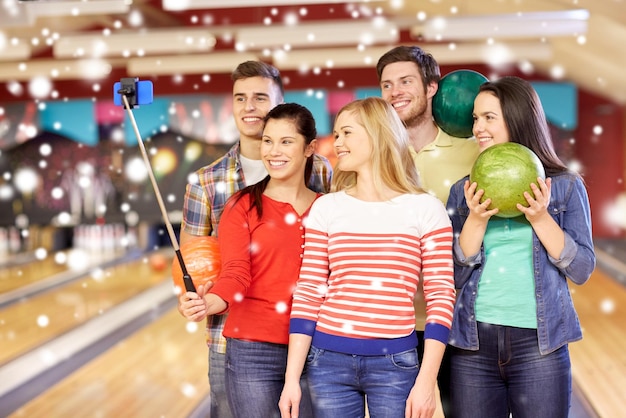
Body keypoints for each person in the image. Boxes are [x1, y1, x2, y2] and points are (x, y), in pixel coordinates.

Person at [279, 97, 456, 418]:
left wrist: (427, 380)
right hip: (327, 359)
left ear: (377, 134)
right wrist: (292, 378)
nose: (338, 142)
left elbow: (441, 296)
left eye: (347, 133)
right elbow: (308, 292)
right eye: (337, 133)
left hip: (395, 363)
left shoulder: (426, 210)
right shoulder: (327, 208)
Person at [177, 61, 332, 417]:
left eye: (260, 98)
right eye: (240, 98)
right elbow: (205, 264)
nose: (249, 107)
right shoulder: (209, 183)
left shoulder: (321, 172)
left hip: (316, 338)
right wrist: (202, 300)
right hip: (236, 339)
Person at [445, 76, 596, 418]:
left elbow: (582, 269)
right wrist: (477, 220)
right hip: (473, 343)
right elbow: (451, 276)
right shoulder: (463, 192)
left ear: (516, 118)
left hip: (540, 344)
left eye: (488, 118)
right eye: (475, 118)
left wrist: (541, 218)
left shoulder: (565, 188)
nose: (478, 128)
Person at [376, 45, 480, 416]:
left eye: (405, 81)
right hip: (394, 320)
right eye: (387, 85)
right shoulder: (376, 153)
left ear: (432, 87)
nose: (395, 92)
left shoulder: (472, 152)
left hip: (458, 318)